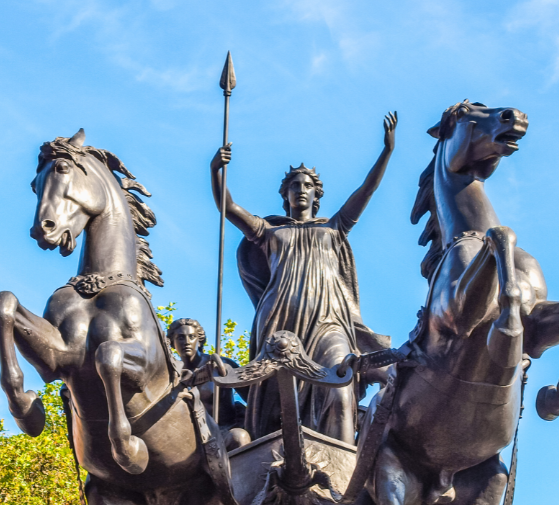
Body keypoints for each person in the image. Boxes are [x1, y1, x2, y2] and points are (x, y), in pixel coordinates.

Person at [210, 112, 397, 444]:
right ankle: (269, 458)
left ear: (316, 195)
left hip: (329, 321)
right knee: (273, 403)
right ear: (285, 194)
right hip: (279, 322)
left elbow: (367, 190)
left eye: (307, 185)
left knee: (340, 384)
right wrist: (216, 171)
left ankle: (340, 464)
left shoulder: (334, 228)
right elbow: (228, 207)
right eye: (294, 185)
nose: (301, 190)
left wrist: (387, 151)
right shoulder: (269, 232)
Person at [166, 318, 251, 451]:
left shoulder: (221, 365)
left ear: (199, 341)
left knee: (239, 437)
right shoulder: (171, 375)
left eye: (192, 337)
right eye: (180, 338)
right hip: (191, 440)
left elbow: (252, 398)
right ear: (172, 342)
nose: (187, 342)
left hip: (225, 431)